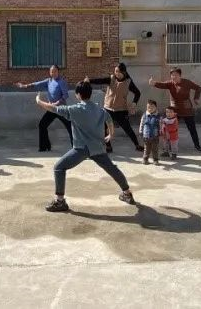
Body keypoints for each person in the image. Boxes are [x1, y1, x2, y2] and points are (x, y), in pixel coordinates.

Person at [35, 80, 136, 212]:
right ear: (90, 93)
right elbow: (109, 119)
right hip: (98, 148)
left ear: (78, 94)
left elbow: (54, 109)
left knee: (59, 168)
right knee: (112, 169)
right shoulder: (99, 109)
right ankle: (127, 193)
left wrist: (39, 101)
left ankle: (60, 201)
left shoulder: (75, 109)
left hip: (81, 149)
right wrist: (111, 134)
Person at [84, 62, 144, 153]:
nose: (117, 73)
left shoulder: (128, 82)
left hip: (121, 110)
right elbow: (100, 80)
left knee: (127, 128)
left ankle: (137, 145)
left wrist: (134, 103)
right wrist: (89, 81)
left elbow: (137, 93)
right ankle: (108, 146)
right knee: (104, 128)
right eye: (115, 71)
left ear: (123, 72)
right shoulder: (111, 79)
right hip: (108, 109)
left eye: (118, 72)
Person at [16, 65, 73, 152]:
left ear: (58, 72)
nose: (53, 73)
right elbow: (36, 84)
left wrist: (56, 103)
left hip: (61, 109)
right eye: (52, 71)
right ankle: (44, 147)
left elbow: (65, 95)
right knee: (42, 125)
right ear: (50, 72)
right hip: (52, 109)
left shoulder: (61, 82)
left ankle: (77, 148)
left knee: (71, 127)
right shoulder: (48, 81)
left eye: (55, 71)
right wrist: (24, 86)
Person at [149, 67, 201, 152]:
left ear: (180, 75)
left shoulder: (187, 82)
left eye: (176, 75)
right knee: (169, 128)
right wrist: (154, 83)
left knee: (192, 128)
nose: (174, 77)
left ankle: (197, 145)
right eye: (172, 75)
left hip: (186, 110)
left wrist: (196, 98)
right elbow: (162, 84)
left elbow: (198, 88)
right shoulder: (170, 83)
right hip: (174, 110)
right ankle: (169, 145)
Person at [139, 100, 161, 165]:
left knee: (155, 149)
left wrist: (161, 132)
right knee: (146, 149)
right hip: (146, 136)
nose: (150, 109)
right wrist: (140, 131)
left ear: (156, 107)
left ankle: (155, 160)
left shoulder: (158, 116)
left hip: (155, 136)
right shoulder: (144, 115)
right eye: (148, 107)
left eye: (152, 107)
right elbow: (142, 124)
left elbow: (160, 125)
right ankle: (145, 159)